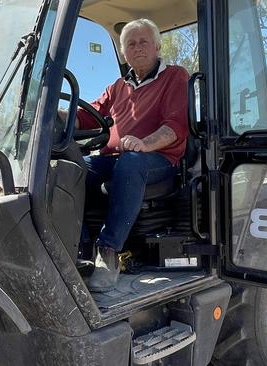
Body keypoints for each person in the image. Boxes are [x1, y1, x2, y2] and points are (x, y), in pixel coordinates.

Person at [68, 18, 189, 292]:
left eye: (143, 41)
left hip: (158, 159)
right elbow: (87, 116)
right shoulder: (117, 87)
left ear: (157, 47)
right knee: (71, 168)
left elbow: (175, 127)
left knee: (131, 163)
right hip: (116, 158)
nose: (137, 47)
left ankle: (108, 251)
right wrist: (59, 116)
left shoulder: (174, 77)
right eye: (131, 44)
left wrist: (145, 143)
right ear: (124, 53)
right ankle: (78, 246)